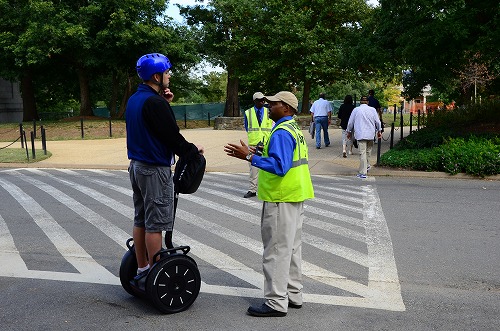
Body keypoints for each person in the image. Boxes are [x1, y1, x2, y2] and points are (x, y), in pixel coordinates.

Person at [224, 91, 314, 317]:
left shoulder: (282, 132)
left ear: (286, 108)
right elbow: (285, 158)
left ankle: (275, 302)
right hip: (295, 195)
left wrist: (249, 157)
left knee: (275, 251)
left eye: (272, 104)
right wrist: (261, 152)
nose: (267, 106)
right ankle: (293, 295)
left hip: (280, 198)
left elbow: (280, 167)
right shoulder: (292, 128)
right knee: (291, 249)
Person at [126, 53, 204, 285]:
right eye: (167, 73)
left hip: (137, 167)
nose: (169, 76)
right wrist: (192, 151)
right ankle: (155, 274)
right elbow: (172, 136)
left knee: (141, 219)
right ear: (157, 76)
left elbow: (152, 127)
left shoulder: (136, 99)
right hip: (154, 169)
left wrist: (164, 103)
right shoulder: (155, 103)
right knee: (156, 224)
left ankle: (142, 268)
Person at [243, 92, 273, 198]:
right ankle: (252, 189)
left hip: (266, 143)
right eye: (260, 100)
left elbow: (272, 126)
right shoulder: (248, 113)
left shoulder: (268, 111)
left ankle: (266, 188)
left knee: (267, 167)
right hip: (253, 144)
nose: (262, 101)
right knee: (253, 168)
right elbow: (247, 127)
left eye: (263, 100)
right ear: (254, 101)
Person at [346, 96, 382, 179]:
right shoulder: (373, 110)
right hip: (370, 134)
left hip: (361, 134)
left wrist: (349, 132)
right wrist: (379, 131)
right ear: (368, 102)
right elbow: (377, 121)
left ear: (360, 102)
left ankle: (363, 172)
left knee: (362, 153)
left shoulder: (356, 110)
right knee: (368, 152)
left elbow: (350, 122)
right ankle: (367, 165)